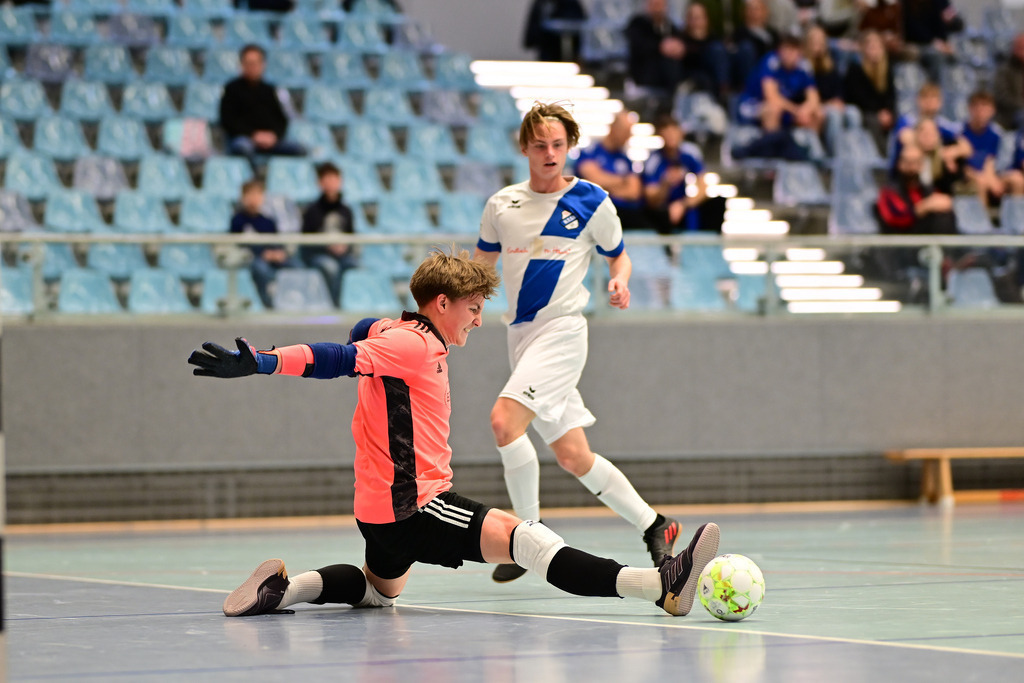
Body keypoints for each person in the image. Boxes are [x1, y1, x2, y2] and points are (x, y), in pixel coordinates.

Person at [187, 249, 720, 619]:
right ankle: (660, 586)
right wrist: (262, 361)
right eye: (473, 308)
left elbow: (362, 330)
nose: (479, 321)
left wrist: (370, 331)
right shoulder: (413, 345)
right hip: (416, 504)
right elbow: (335, 357)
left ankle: (283, 591)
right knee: (529, 541)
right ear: (441, 303)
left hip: (376, 510)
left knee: (378, 592)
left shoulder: (398, 333)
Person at [474, 102, 682, 584]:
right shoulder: (501, 205)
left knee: (504, 422)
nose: (550, 153)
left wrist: (619, 280)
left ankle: (527, 538)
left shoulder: (592, 200)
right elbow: (481, 265)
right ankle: (656, 525)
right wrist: (469, 303)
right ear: (525, 148)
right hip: (520, 336)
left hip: (563, 332)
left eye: (558, 145)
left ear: (568, 147)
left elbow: (619, 256)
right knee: (573, 455)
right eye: (540, 145)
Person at [219, 44, 305, 169]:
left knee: (299, 150)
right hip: (244, 139)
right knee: (243, 147)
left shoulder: (271, 90)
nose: (253, 67)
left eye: (256, 63)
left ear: (263, 64)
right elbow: (228, 121)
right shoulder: (231, 89)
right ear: (242, 65)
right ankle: (253, 178)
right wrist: (253, 135)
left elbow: (282, 120)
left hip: (270, 140)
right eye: (249, 63)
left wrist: (274, 136)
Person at [575, 110, 649, 230]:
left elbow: (634, 192)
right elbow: (594, 181)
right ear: (614, 129)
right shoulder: (591, 152)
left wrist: (606, 187)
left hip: (625, 214)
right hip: (595, 213)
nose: (629, 136)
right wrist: (623, 181)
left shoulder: (625, 159)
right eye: (626, 131)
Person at [230, 179, 298, 308]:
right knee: (260, 268)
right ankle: (268, 303)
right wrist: (261, 254)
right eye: (250, 194)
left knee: (295, 265)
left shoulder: (268, 221)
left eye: (257, 194)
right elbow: (238, 245)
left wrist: (279, 253)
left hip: (270, 257)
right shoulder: (237, 220)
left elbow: (276, 242)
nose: (254, 199)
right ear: (243, 197)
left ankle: (293, 300)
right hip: (251, 259)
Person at [737, 31, 821, 134]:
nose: (789, 53)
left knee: (816, 113)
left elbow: (814, 98)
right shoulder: (771, 61)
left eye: (793, 49)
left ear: (800, 51)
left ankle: (811, 143)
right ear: (779, 50)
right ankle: (774, 142)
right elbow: (772, 97)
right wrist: (796, 111)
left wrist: (805, 110)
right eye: (786, 48)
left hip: (786, 108)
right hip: (753, 105)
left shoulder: (804, 66)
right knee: (773, 109)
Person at [301, 162, 357, 307]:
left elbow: (352, 237)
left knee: (353, 265)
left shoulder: (346, 211)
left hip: (342, 255)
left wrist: (345, 247)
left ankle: (351, 303)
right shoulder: (312, 211)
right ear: (320, 183)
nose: (331, 184)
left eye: (334, 179)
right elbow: (306, 241)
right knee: (330, 267)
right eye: (327, 179)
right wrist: (327, 247)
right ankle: (333, 305)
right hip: (318, 255)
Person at [642, 114, 708, 234]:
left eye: (673, 132)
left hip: (684, 205)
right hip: (662, 210)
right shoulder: (654, 160)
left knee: (711, 206)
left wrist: (683, 204)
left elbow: (703, 188)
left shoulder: (689, 154)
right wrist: (666, 183)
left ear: (680, 133)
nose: (670, 137)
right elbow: (651, 198)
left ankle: (695, 240)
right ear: (660, 135)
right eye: (666, 133)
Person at [876, 142, 956, 235]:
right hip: (900, 239)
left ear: (922, 165)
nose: (911, 167)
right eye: (907, 162)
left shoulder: (928, 190)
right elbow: (894, 217)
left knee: (944, 218)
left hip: (926, 237)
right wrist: (924, 207)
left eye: (915, 162)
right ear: (899, 164)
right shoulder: (889, 191)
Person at [804, 22, 856, 150]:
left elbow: (839, 88)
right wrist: (827, 104)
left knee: (853, 112)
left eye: (821, 41)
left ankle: (853, 150)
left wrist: (839, 99)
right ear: (807, 43)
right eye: (815, 41)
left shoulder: (830, 64)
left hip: (831, 104)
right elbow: (803, 95)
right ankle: (834, 152)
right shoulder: (803, 66)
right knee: (834, 115)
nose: (818, 45)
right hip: (812, 106)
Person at [843, 29, 896, 153]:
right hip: (864, 110)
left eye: (878, 47)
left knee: (898, 117)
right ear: (864, 49)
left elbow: (891, 95)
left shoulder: (887, 69)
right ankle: (882, 154)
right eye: (871, 47)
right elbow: (858, 97)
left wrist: (888, 112)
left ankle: (894, 152)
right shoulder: (856, 69)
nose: (875, 51)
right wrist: (879, 113)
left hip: (883, 111)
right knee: (873, 120)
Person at [624, 0, 686, 95]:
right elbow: (639, 46)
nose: (657, 9)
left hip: (667, 73)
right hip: (645, 72)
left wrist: (679, 48)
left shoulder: (670, 26)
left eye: (660, 5)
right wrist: (661, 46)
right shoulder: (638, 24)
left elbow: (678, 43)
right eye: (654, 5)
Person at [959, 91, 1005, 205]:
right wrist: (979, 177)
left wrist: (990, 177)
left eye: (984, 106)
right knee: (980, 183)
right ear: (969, 108)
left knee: (1016, 181)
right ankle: (982, 216)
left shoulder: (997, 134)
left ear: (992, 110)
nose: (980, 111)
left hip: (992, 173)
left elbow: (992, 160)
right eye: (976, 106)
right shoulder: (959, 132)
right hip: (966, 175)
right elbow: (961, 165)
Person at [679, 2, 730, 101]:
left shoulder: (714, 39)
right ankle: (722, 96)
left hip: (715, 73)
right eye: (692, 17)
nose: (695, 21)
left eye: (698, 17)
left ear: (706, 19)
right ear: (687, 19)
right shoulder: (682, 39)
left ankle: (724, 91)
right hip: (694, 74)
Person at [731, 0, 779, 93]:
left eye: (757, 9)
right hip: (752, 71)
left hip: (771, 71)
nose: (754, 13)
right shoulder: (740, 32)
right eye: (751, 9)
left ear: (765, 12)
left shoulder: (773, 34)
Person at [522, 0, 588, 63]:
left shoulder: (571, 3)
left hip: (568, 46)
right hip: (547, 45)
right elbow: (534, 23)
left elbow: (580, 24)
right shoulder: (543, 3)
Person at [994, 32, 1024, 131]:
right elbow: (1002, 96)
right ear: (1013, 49)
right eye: (1020, 47)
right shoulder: (1004, 70)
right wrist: (1021, 105)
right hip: (1009, 115)